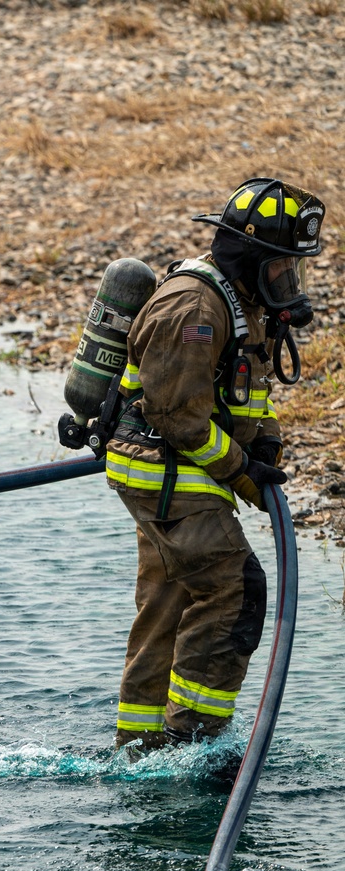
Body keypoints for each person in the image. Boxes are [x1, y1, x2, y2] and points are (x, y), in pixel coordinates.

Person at [104, 177, 325, 754]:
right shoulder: (195, 308)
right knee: (236, 588)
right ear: (249, 256)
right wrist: (244, 472)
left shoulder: (238, 301)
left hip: (179, 469)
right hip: (165, 472)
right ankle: (194, 746)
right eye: (279, 269)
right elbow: (177, 414)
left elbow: (245, 394)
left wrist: (267, 444)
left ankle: (139, 746)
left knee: (169, 604)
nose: (287, 283)